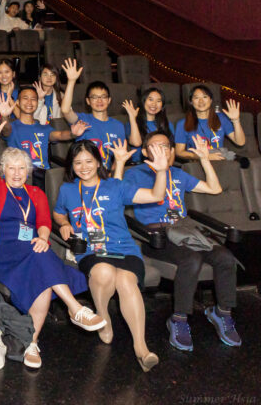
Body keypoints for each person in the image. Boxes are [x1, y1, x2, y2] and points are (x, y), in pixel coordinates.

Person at [0, 112, 105, 369]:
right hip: (1, 251)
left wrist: (43, 236)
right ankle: (75, 308)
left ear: (29, 171)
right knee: (42, 258)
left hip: (31, 248)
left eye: (22, 168)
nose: (17, 173)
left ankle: (32, 342)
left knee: (44, 276)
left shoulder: (36, 192)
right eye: (11, 168)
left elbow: (45, 222)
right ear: (4, 171)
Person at [51, 140, 169, 372]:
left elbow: (156, 194)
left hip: (124, 249)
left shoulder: (115, 186)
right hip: (90, 251)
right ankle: (102, 318)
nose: (83, 167)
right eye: (77, 163)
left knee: (126, 280)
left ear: (98, 162)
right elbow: (57, 213)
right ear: (71, 166)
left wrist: (162, 170)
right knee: (103, 271)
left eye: (88, 161)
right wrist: (64, 223)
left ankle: (141, 348)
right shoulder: (67, 190)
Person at [117, 131, 240, 351]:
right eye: (154, 147)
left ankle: (222, 313)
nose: (160, 150)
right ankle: (179, 319)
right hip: (157, 237)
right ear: (145, 151)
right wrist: (119, 164)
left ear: (172, 151)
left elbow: (215, 188)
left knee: (226, 258)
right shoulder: (136, 174)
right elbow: (117, 192)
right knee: (192, 259)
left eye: (165, 146)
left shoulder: (179, 174)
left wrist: (204, 160)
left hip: (185, 231)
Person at [5, 86, 87, 189]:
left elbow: (59, 135)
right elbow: (5, 129)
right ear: (17, 102)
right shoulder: (12, 127)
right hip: (21, 176)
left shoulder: (43, 128)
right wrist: (4, 116)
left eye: (33, 99)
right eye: (25, 98)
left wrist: (73, 134)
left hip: (44, 177)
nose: (29, 102)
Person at [60, 59, 126, 171]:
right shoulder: (82, 120)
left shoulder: (118, 125)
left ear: (109, 100)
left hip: (107, 176)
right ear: (88, 101)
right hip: (85, 173)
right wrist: (71, 81)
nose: (99, 100)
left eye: (103, 97)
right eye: (94, 97)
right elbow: (65, 110)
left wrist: (111, 177)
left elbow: (118, 158)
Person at [174, 86, 245, 161]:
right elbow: (179, 152)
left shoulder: (222, 118)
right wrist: (203, 157)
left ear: (211, 100)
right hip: (197, 162)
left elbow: (240, 142)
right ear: (191, 102)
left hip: (220, 161)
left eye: (205, 97)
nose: (201, 101)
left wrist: (236, 120)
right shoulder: (182, 123)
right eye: (196, 98)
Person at [126, 87, 174, 161]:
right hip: (139, 166)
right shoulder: (132, 123)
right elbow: (136, 143)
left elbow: (172, 150)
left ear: (162, 105)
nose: (154, 104)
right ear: (143, 101)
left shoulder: (167, 124)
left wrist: (168, 167)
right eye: (150, 99)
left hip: (163, 163)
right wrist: (132, 118)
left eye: (158, 101)